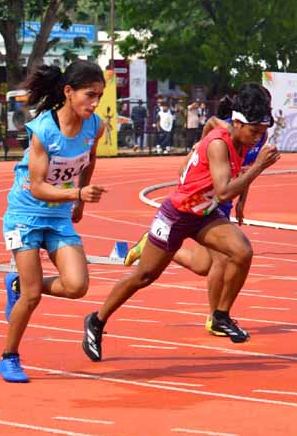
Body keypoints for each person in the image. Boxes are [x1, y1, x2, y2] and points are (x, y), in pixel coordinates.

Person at [82, 85, 280, 361]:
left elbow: (236, 178)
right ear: (237, 122)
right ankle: (96, 320)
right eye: (254, 131)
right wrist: (257, 166)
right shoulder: (219, 143)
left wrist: (244, 195)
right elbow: (224, 191)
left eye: (262, 132)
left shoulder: (248, 138)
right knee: (144, 276)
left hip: (205, 213)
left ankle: (220, 315)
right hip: (178, 214)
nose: (257, 138)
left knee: (241, 251)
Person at [0, 62, 107, 382]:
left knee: (77, 286)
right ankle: (9, 356)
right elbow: (38, 186)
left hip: (58, 215)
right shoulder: (44, 131)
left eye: (99, 96)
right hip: (24, 216)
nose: (95, 103)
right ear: (68, 92)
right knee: (32, 296)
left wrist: (79, 202)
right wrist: (77, 193)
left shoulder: (95, 126)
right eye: (90, 95)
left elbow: (90, 159)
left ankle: (18, 284)